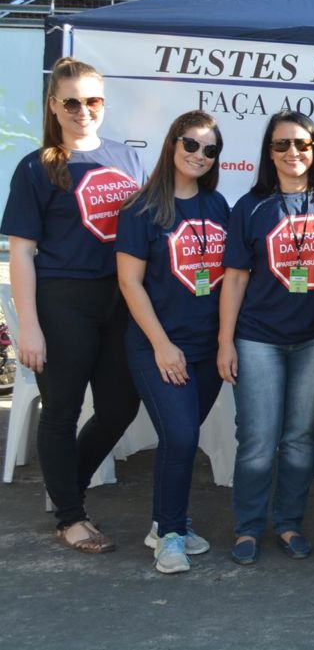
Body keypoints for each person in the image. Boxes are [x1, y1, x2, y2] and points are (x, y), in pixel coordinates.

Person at [1, 57, 143, 553]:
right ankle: (70, 515)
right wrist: (29, 329)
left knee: (121, 407)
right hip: (64, 300)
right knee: (61, 410)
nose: (84, 110)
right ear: (55, 106)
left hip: (120, 300)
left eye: (94, 100)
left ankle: (66, 485)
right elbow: (20, 252)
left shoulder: (128, 159)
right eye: (73, 102)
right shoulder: (39, 167)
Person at [218, 111, 314, 564]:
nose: (293, 153)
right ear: (269, 153)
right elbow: (233, 279)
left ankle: (288, 523)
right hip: (258, 339)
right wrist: (225, 341)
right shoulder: (250, 206)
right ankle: (248, 527)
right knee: (256, 437)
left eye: (302, 144)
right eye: (282, 145)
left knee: (300, 437)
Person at [116, 111, 229, 574]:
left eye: (210, 149)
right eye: (191, 144)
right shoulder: (140, 210)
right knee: (181, 437)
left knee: (178, 440)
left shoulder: (218, 205)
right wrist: (162, 345)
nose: (199, 155)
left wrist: (225, 341)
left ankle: (166, 522)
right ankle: (170, 534)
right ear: (171, 145)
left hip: (206, 348)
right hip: (158, 347)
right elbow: (129, 283)